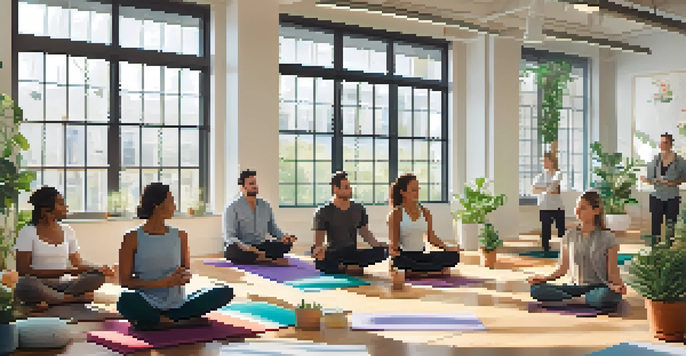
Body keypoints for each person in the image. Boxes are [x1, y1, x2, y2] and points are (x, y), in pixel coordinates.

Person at [117, 183, 234, 331]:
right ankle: (177, 320)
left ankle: (161, 320)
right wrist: (162, 283)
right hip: (146, 301)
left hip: (178, 303)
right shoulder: (131, 238)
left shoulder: (180, 235)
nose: (175, 206)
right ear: (157, 206)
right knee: (125, 300)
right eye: (171, 201)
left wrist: (184, 276)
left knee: (225, 291)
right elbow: (125, 281)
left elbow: (186, 271)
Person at [14, 186, 113, 310]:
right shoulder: (27, 232)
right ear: (45, 210)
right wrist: (68, 271)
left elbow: (77, 262)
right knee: (24, 284)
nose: (66, 207)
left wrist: (98, 268)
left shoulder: (67, 230)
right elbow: (23, 271)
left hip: (65, 284)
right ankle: (73, 299)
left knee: (97, 276)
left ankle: (53, 299)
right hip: (40, 283)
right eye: (60, 203)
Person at [528, 190, 626, 312]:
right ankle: (582, 300)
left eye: (583, 208)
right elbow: (562, 269)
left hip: (598, 288)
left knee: (608, 296)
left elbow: (612, 272)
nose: (577, 211)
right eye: (577, 207)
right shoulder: (569, 236)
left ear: (596, 211)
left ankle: (571, 301)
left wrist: (617, 286)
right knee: (536, 290)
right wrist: (544, 279)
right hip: (573, 288)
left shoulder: (608, 238)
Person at [388, 174, 461, 290]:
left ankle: (418, 271)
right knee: (399, 262)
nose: (416, 193)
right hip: (405, 256)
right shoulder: (396, 214)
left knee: (454, 256)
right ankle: (432, 271)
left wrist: (448, 248)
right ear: (403, 192)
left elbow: (431, 238)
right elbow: (394, 243)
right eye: (413, 190)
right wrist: (393, 251)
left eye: (417, 189)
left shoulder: (425, 212)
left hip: (421, 255)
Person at [311, 171, 388, 276]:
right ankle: (349, 267)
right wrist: (319, 249)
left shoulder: (358, 208)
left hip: (352, 252)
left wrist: (377, 245)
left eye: (350, 186)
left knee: (384, 252)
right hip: (334, 253)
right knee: (319, 260)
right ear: (335, 189)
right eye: (346, 187)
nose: (350, 190)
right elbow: (318, 241)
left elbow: (364, 231)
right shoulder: (323, 211)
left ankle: (345, 267)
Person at [224, 170, 296, 266]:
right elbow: (230, 236)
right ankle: (269, 260)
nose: (255, 186)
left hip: (260, 246)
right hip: (243, 247)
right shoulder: (232, 207)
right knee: (231, 251)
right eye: (251, 183)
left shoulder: (265, 205)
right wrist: (246, 247)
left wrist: (284, 237)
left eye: (255, 183)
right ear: (242, 187)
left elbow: (272, 228)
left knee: (286, 245)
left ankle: (259, 257)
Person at [641, 133, 686, 246]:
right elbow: (651, 179)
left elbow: (684, 178)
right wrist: (647, 181)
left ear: (671, 144)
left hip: (672, 197)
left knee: (671, 225)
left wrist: (670, 183)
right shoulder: (655, 160)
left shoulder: (679, 160)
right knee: (655, 225)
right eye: (661, 142)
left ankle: (669, 250)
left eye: (665, 142)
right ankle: (655, 250)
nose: (661, 144)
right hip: (656, 196)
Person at [533, 152, 565, 252]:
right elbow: (534, 190)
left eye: (546, 160)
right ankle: (545, 249)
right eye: (543, 161)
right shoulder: (539, 176)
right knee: (545, 230)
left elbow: (554, 189)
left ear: (552, 162)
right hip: (544, 206)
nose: (544, 163)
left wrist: (542, 188)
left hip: (557, 206)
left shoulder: (557, 174)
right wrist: (547, 188)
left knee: (561, 230)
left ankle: (566, 249)